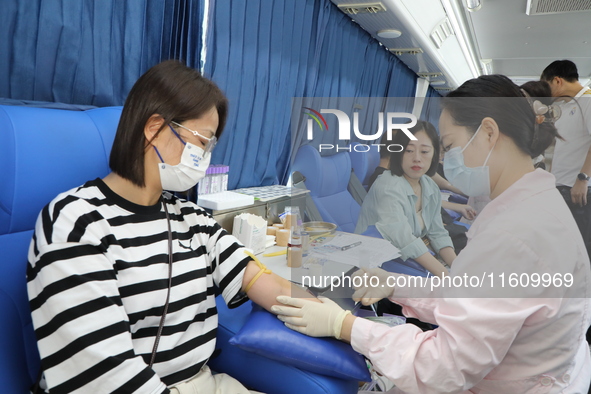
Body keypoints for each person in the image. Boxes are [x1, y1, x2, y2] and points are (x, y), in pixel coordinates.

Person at [274, 75, 591, 393]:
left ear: (489, 133)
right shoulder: (534, 205)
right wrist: (396, 285)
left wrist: (343, 326)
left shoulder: (515, 234)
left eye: (449, 147)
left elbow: (444, 366)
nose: (443, 160)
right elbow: (477, 295)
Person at [26, 60, 313, 393]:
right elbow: (104, 374)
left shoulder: (192, 219)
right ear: (154, 128)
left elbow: (264, 282)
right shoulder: (76, 221)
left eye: (210, 146)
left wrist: (348, 327)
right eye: (201, 142)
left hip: (201, 383)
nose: (205, 157)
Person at [355, 120, 456, 277]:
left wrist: (459, 270)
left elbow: (437, 233)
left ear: (434, 154)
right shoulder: (388, 185)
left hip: (405, 258)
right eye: (409, 151)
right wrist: (448, 277)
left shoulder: (429, 186)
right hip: (376, 263)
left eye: (424, 151)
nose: (416, 158)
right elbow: (404, 240)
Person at [541, 60, 591, 260]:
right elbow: (561, 148)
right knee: (563, 247)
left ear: (557, 81)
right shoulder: (566, 106)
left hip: (578, 189)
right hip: (562, 186)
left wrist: (583, 178)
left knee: (579, 249)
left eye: (546, 86)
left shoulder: (587, 101)